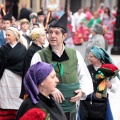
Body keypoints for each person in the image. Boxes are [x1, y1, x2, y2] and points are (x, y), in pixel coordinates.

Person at [31, 12, 93, 120]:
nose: (52, 36)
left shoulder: (75, 54)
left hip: (71, 107)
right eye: (50, 32)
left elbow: (85, 76)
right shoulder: (39, 56)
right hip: (48, 106)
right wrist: (51, 89)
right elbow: (31, 80)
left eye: (56, 33)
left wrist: (82, 91)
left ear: (64, 36)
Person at [80, 46, 120, 120]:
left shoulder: (107, 70)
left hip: (102, 105)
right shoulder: (87, 69)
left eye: (91, 57)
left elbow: (115, 88)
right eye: (89, 56)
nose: (88, 58)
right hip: (86, 104)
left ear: (98, 58)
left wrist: (110, 85)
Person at [0, 26, 27, 119]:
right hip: (5, 76)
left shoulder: (22, 48)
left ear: (15, 36)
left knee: (17, 97)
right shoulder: (3, 48)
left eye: (9, 35)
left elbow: (24, 64)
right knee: (5, 96)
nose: (6, 37)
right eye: (6, 35)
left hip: (17, 77)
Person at [20, 27, 46, 98]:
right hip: (35, 83)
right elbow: (28, 69)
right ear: (36, 38)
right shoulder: (31, 50)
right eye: (43, 35)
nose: (45, 37)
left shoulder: (42, 48)